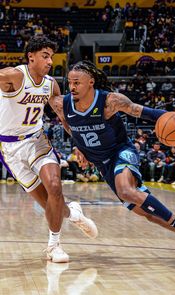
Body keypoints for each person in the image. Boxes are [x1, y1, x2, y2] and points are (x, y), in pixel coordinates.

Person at [59, 60, 175, 262]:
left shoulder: (110, 101)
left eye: (77, 82)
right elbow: (69, 126)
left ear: (91, 82)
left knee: (126, 190)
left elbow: (144, 112)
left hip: (121, 151)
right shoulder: (62, 104)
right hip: (103, 164)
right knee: (148, 214)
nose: (72, 87)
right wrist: (79, 147)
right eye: (70, 83)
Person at [0, 37, 98, 263]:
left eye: (51, 57)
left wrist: (80, 144)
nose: (50, 61)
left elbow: (63, 116)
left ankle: (54, 246)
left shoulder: (50, 84)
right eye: (45, 56)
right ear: (30, 57)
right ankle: (73, 213)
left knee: (54, 186)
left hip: (37, 141)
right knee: (50, 206)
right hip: (10, 148)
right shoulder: (15, 76)